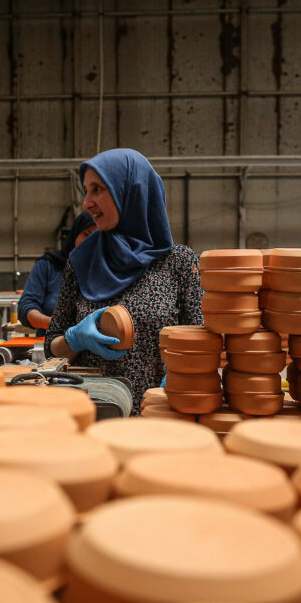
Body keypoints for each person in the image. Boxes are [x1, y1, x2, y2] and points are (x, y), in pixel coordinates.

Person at [46, 148, 203, 412]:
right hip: (94, 412)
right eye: (86, 190)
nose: (86, 203)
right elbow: (52, 349)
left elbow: (202, 344)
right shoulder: (81, 260)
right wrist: (73, 340)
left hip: (161, 412)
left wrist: (180, 377)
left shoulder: (178, 262)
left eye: (97, 189)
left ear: (131, 191)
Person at [18, 211, 95, 336]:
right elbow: (26, 306)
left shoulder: (110, 270)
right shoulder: (49, 265)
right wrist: (57, 324)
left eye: (98, 237)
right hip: (53, 345)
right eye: (87, 234)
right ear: (75, 234)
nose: (91, 242)